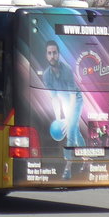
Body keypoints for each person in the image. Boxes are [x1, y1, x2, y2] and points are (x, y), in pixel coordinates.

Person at [41, 39, 85, 179]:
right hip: (64, 100)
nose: (52, 55)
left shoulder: (66, 70)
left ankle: (68, 168)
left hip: (75, 100)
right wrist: (59, 120)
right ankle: (87, 159)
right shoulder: (46, 75)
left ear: (58, 54)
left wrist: (69, 119)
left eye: (54, 52)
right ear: (46, 55)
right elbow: (54, 98)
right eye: (49, 53)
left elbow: (72, 96)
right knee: (76, 131)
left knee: (71, 131)